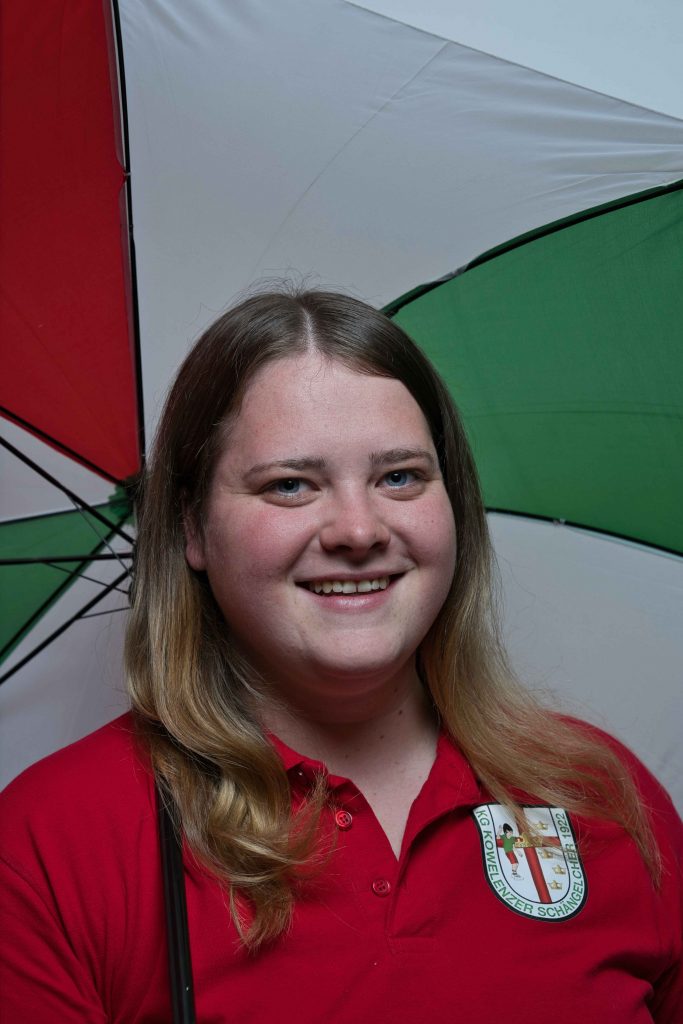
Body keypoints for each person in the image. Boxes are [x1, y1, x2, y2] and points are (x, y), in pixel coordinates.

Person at [1, 289, 681, 1023]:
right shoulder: (50, 846)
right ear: (192, 527)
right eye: (290, 485)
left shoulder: (599, 792)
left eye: (399, 476)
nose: (358, 531)